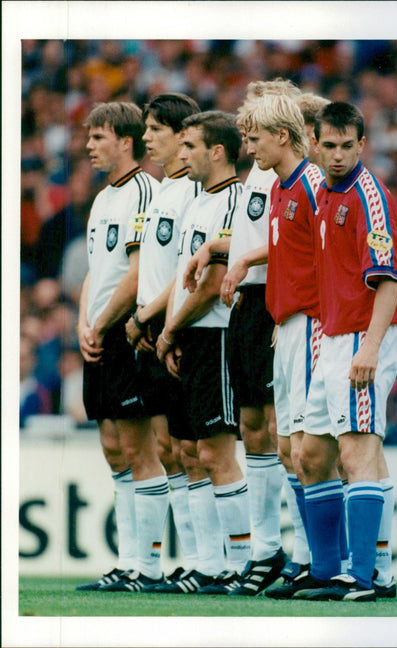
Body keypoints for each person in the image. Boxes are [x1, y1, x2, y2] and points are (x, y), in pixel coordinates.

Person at [182, 80, 304, 597]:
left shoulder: (296, 175)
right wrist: (216, 248)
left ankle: (299, 552)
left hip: (271, 299)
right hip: (246, 305)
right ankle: (266, 549)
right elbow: (257, 236)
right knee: (254, 425)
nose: (246, 141)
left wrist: (237, 260)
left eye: (253, 130)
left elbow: (289, 245)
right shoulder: (260, 175)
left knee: (284, 431)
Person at [292, 101, 397, 602]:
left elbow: (389, 283)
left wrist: (372, 349)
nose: (337, 155)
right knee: (312, 454)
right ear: (315, 144)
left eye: (347, 146)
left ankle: (361, 578)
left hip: (363, 335)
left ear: (362, 145)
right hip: (330, 335)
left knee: (357, 452)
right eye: (328, 146)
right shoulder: (321, 190)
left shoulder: (369, 196)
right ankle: (327, 569)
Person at [155, 110, 248, 594]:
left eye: (189, 145)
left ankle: (242, 563)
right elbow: (184, 277)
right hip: (189, 337)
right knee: (191, 453)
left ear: (216, 151)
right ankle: (208, 566)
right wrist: (174, 333)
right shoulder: (195, 202)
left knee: (216, 452)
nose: (181, 153)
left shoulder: (233, 202)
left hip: (214, 335)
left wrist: (170, 330)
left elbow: (212, 283)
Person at [112, 93, 202, 592]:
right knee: (170, 449)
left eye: (155, 129)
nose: (147, 138)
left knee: (193, 449)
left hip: (177, 329)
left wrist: (153, 316)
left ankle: (205, 561)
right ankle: (188, 560)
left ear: (179, 134)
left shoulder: (193, 191)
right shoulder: (165, 190)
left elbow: (188, 272)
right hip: (151, 332)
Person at [74, 102, 164, 591]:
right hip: (100, 334)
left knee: (138, 445)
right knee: (112, 447)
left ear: (125, 142)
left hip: (128, 333)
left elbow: (135, 274)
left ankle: (148, 568)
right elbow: (97, 270)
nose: (89, 146)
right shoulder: (102, 198)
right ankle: (127, 562)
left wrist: (103, 324)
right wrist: (81, 322)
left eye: (98, 137)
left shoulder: (143, 192)